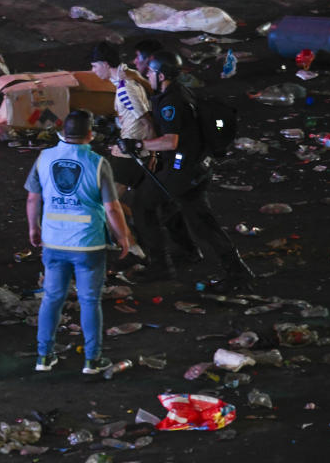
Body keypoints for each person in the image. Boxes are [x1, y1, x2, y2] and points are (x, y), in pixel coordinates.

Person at [119, 51, 255, 288]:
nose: (147, 75)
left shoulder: (171, 102)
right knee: (179, 209)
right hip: (196, 166)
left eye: (150, 72)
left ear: (161, 75)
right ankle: (191, 252)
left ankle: (162, 266)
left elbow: (171, 141)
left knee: (144, 205)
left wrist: (138, 144)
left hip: (183, 169)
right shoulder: (180, 91)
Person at [25, 110, 134, 375]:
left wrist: (34, 228)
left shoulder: (44, 157)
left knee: (51, 299)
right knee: (89, 301)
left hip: (53, 241)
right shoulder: (97, 163)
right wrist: (123, 236)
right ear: (90, 134)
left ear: (63, 132)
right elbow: (112, 207)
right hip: (88, 243)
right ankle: (92, 361)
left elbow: (32, 199)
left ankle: (43, 356)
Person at [88, 42, 156, 197]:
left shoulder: (126, 88)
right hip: (127, 147)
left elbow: (148, 123)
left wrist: (152, 155)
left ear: (105, 64)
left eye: (94, 66)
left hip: (133, 151)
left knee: (109, 201)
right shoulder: (125, 77)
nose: (93, 71)